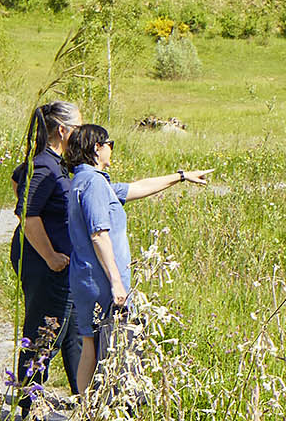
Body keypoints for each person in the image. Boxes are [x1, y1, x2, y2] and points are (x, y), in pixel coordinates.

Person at [59, 123, 211, 396]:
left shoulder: (86, 180)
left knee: (90, 344)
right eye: (109, 144)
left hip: (86, 278)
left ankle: (86, 412)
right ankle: (109, 409)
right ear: (97, 148)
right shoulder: (93, 183)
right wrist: (117, 282)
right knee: (112, 344)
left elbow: (138, 187)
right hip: (101, 281)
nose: (111, 150)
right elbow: (99, 235)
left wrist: (182, 176)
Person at [10, 102, 81, 411]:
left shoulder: (54, 162)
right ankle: (28, 408)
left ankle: (84, 401)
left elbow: (17, 180)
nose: (81, 134)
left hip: (62, 265)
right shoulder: (45, 165)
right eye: (78, 128)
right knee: (43, 331)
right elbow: (26, 213)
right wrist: (50, 255)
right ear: (62, 130)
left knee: (73, 331)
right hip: (46, 265)